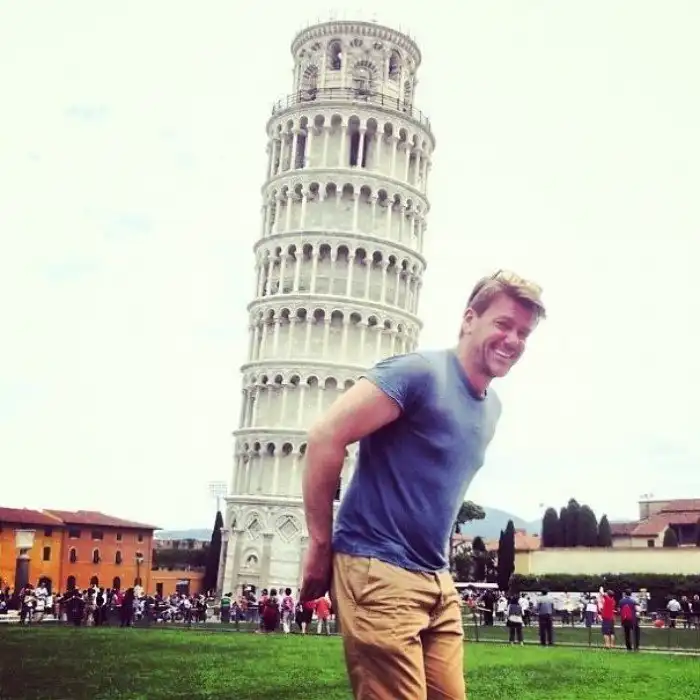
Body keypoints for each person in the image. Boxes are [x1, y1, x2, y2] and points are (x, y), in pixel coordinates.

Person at [300, 270, 546, 700]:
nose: (513, 340)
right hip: (378, 567)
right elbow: (325, 436)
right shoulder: (417, 373)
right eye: (503, 324)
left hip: (436, 579)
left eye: (523, 333)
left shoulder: (492, 408)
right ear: (469, 319)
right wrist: (321, 544)